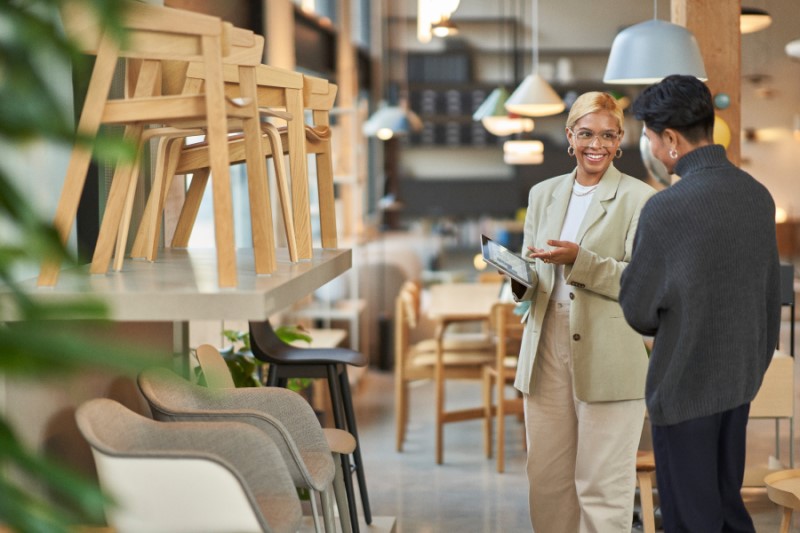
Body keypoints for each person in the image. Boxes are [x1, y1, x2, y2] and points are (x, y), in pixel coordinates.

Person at [620, 74, 782, 532]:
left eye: (649, 138)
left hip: (685, 386)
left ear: (670, 140)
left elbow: (637, 309)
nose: (649, 148)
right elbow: (769, 294)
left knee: (691, 520)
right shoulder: (757, 196)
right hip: (738, 384)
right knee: (726, 509)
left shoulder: (666, 208)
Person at [510, 91, 655, 532]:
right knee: (547, 478)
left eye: (608, 135)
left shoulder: (640, 198)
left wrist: (579, 261)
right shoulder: (543, 194)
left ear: (620, 140)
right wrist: (517, 277)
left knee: (602, 484)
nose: (598, 144)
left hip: (610, 348)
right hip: (545, 345)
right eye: (587, 133)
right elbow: (532, 275)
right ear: (569, 136)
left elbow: (641, 283)